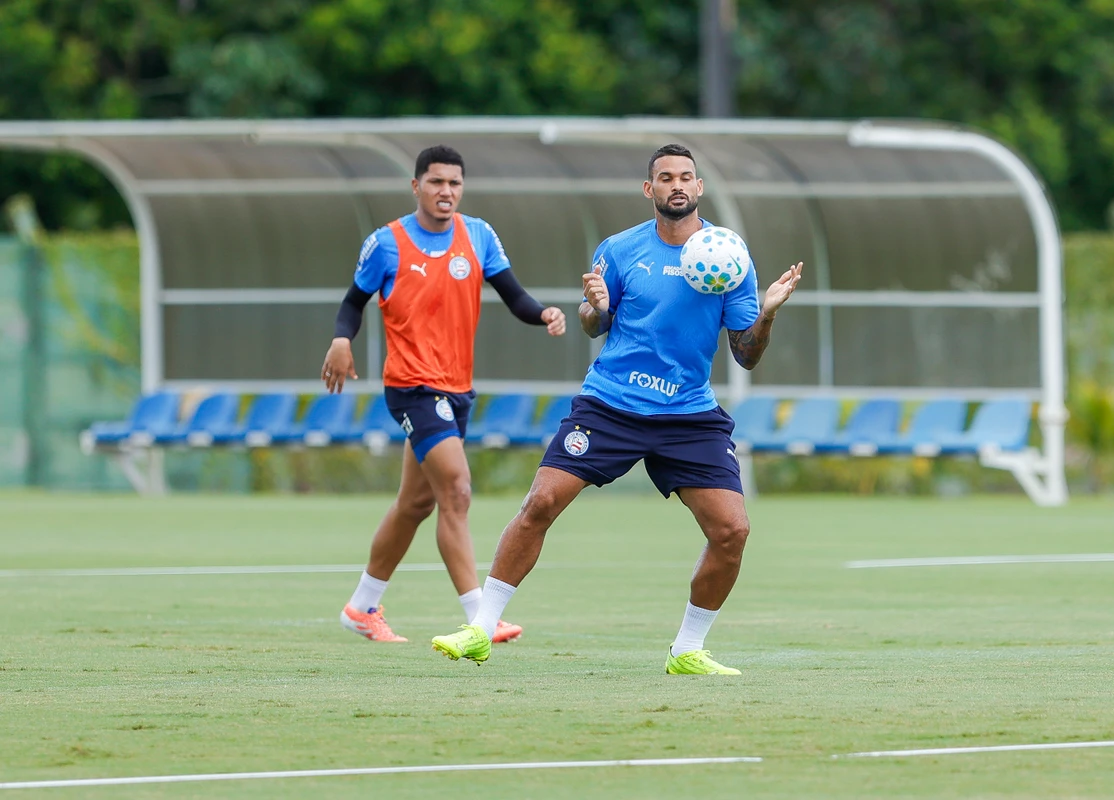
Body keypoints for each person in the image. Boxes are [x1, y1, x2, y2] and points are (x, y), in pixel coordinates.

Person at [431, 143, 802, 674]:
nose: (677, 185)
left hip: (688, 414)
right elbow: (592, 321)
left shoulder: (728, 254)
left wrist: (765, 314)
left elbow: (745, 355)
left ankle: (688, 650)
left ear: (699, 188)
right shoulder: (622, 249)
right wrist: (597, 306)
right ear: (649, 190)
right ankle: (481, 630)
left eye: (687, 177)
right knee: (540, 503)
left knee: (732, 532)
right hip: (611, 403)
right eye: (665, 177)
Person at [323, 144, 567, 644]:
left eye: (454, 183)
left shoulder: (477, 236)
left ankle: (362, 606)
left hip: (457, 388)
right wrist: (341, 340)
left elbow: (513, 295)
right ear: (417, 187)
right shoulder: (388, 243)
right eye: (436, 182)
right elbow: (353, 302)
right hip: (411, 386)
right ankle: (481, 615)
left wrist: (543, 313)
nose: (446, 192)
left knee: (416, 504)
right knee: (456, 489)